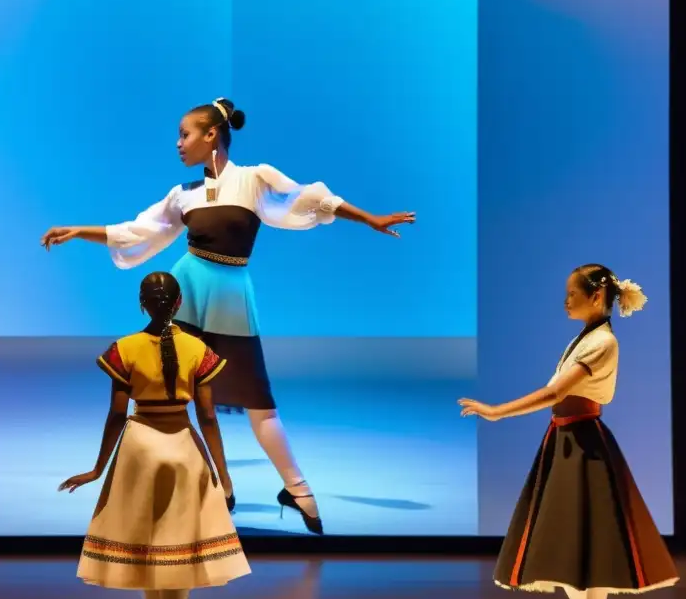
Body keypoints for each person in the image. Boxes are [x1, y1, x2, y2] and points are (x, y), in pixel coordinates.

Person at [42, 97, 415, 534]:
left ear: (211, 134)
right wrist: (79, 230)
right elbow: (140, 231)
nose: (178, 144)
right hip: (188, 295)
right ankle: (221, 486)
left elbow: (310, 198)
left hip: (233, 297)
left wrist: (369, 218)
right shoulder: (183, 195)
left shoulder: (254, 178)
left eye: (185, 134)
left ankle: (298, 490)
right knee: (186, 396)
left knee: (259, 402)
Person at [458, 264, 678, 599]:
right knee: (560, 539)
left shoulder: (603, 343)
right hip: (563, 441)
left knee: (590, 541)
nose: (566, 300)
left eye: (572, 293)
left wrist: (496, 412)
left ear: (595, 297)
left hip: (585, 444)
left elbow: (555, 391)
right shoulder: (586, 337)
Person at [59, 271, 250, 599]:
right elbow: (209, 416)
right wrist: (224, 474)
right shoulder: (196, 348)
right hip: (182, 446)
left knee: (151, 552)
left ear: (141, 304)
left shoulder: (124, 348)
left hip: (139, 449)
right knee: (177, 553)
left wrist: (97, 468)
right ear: (180, 304)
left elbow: (116, 414)